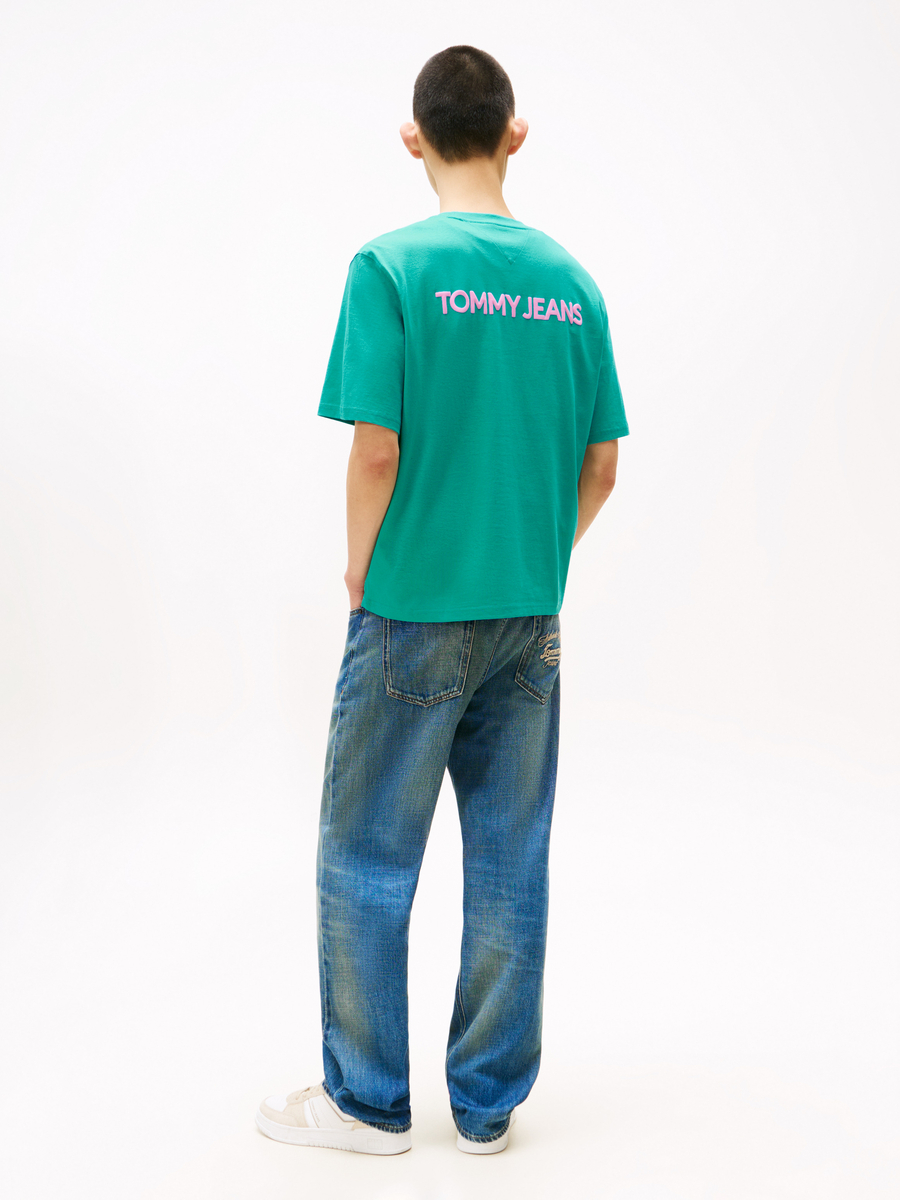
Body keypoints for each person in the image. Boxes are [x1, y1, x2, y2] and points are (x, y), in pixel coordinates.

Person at [255, 43, 629, 1157]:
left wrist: (361, 567)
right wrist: (531, 553)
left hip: (413, 607)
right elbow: (602, 465)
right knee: (511, 852)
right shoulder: (573, 284)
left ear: (413, 136)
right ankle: (487, 1108)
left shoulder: (392, 267)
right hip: (528, 616)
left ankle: (368, 1104)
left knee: (370, 852)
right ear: (516, 134)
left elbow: (377, 450)